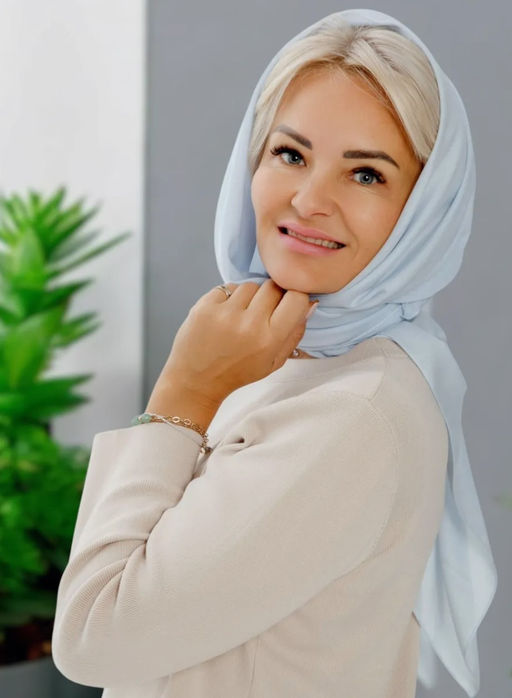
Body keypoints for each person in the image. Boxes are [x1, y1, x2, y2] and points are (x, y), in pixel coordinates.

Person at [51, 8, 497, 698]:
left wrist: (181, 397)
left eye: (366, 174)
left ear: (424, 210)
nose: (310, 199)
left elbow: (93, 638)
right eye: (290, 154)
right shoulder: (288, 353)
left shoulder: (352, 413)